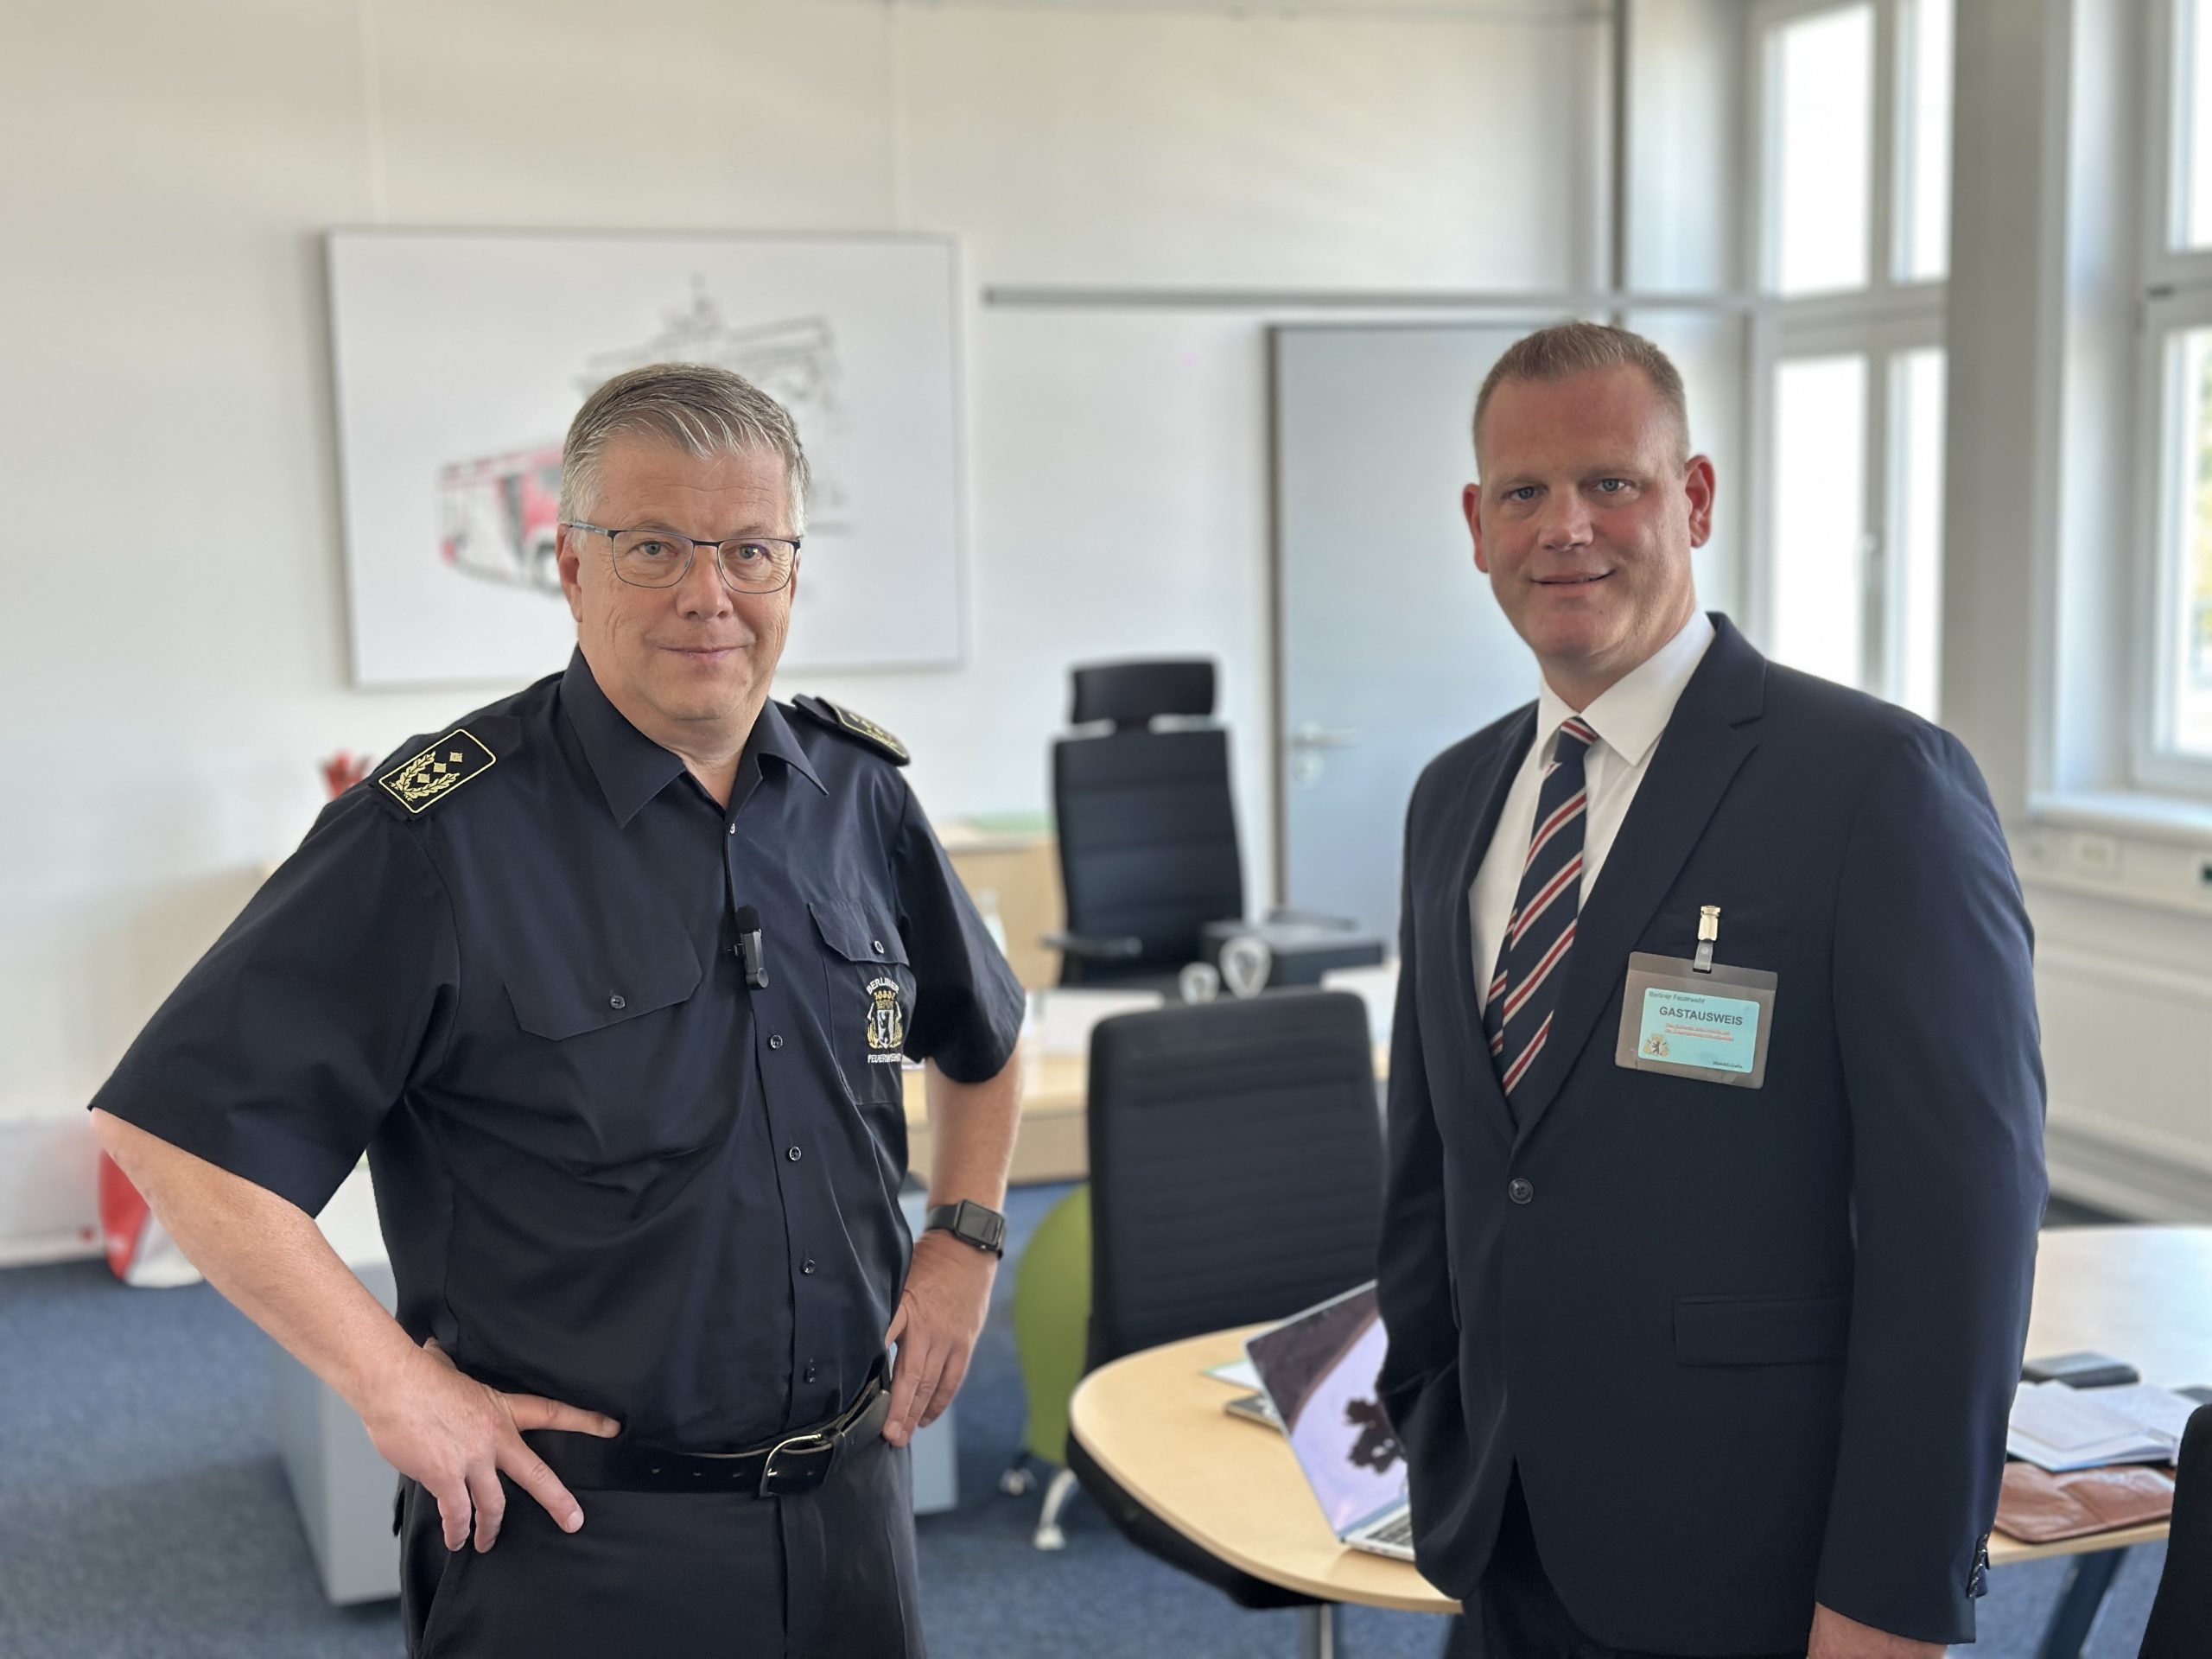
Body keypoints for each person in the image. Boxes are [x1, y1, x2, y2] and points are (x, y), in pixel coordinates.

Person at [90, 363, 1027, 1658]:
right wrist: (390, 1383)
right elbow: (176, 1131)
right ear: (574, 569)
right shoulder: (436, 837)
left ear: (792, 572)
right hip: (578, 1545)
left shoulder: (858, 796)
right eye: (655, 547)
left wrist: (965, 1244)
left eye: (750, 550)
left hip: (854, 1510)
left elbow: (987, 1039)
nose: (709, 594)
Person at [1376, 323, 2046, 1659]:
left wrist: (1893, 1594)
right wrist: (1430, 1414)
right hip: (1504, 1536)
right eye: (1523, 492)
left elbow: (1960, 1237)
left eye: (1610, 483)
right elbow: (1435, 1170)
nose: (1565, 527)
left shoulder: (1875, 788)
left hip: (1761, 1568)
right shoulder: (1455, 798)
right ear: (1477, 525)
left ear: (1693, 499)